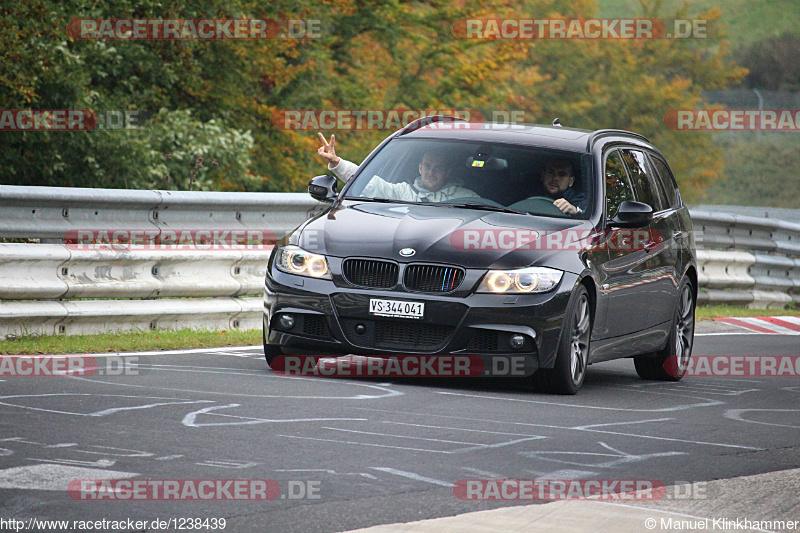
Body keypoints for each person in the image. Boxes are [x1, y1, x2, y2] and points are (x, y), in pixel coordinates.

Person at [316, 132, 480, 202]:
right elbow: (367, 183)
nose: (431, 172)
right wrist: (337, 162)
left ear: (447, 172)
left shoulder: (466, 197)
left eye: (438, 168)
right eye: (427, 166)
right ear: (420, 169)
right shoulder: (402, 192)